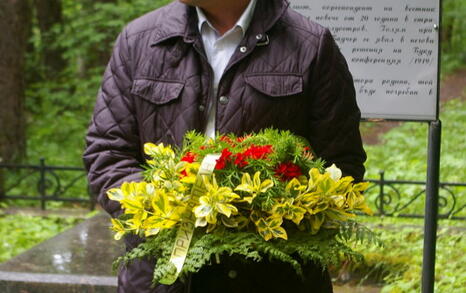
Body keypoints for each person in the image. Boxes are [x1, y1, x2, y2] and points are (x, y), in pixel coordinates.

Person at [83, 0, 367, 292]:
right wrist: (170, 206)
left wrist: (266, 210)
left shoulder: (310, 44)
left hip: (273, 276)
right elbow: (106, 153)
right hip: (162, 276)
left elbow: (341, 165)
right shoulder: (140, 40)